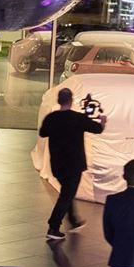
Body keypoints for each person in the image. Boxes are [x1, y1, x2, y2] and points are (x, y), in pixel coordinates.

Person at [38, 86, 104, 241]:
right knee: (67, 194)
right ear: (71, 100)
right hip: (74, 165)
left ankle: (73, 220)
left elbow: (43, 133)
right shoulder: (78, 118)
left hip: (57, 164)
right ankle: (54, 226)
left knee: (67, 192)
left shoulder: (51, 118)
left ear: (58, 100)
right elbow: (97, 129)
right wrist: (103, 121)